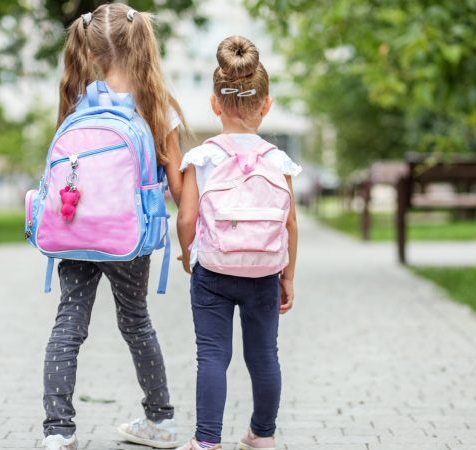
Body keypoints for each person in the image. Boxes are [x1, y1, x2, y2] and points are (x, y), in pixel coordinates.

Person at [42, 4, 186, 450]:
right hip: (129, 238)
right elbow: (179, 188)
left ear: (90, 49)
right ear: (140, 41)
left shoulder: (76, 98)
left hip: (76, 231)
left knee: (68, 324)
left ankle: (58, 430)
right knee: (137, 323)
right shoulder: (155, 104)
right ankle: (159, 422)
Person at [175, 35, 301, 450]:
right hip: (264, 272)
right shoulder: (278, 160)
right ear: (266, 106)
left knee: (212, 355)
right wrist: (288, 276)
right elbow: (292, 225)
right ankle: (262, 434)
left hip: (213, 270)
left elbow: (187, 217)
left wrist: (187, 254)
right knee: (264, 355)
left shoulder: (201, 157)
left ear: (215, 104)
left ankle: (207, 442)